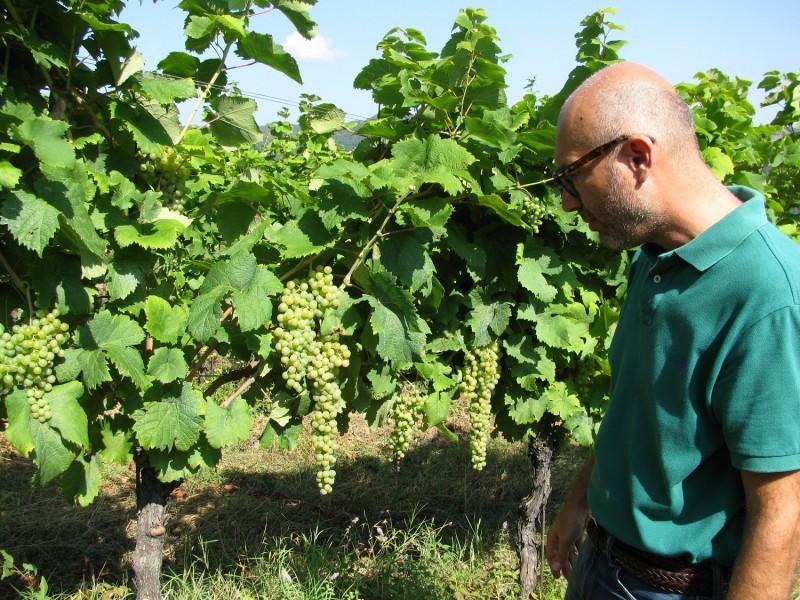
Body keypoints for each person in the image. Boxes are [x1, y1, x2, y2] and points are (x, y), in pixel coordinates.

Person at [544, 62, 800, 600]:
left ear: (637, 156)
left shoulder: (769, 293)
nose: (566, 201)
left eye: (571, 177)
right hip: (599, 560)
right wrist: (581, 500)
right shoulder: (656, 254)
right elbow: (639, 405)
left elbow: (782, 510)